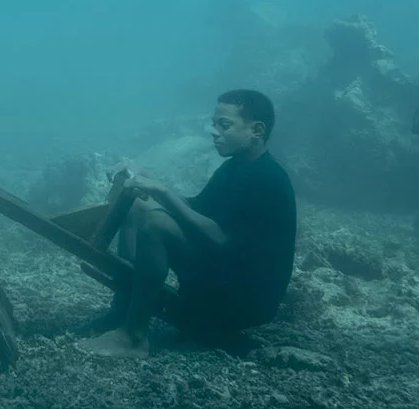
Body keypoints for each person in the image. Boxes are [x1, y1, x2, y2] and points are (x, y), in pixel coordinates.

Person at [81, 89, 297, 358]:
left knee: (158, 225)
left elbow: (221, 239)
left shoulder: (267, 179)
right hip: (223, 275)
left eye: (224, 125)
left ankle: (133, 337)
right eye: (214, 123)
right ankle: (124, 309)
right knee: (137, 205)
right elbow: (196, 208)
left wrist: (162, 192)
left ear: (257, 130)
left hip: (243, 300)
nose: (213, 131)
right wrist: (146, 179)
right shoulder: (235, 167)